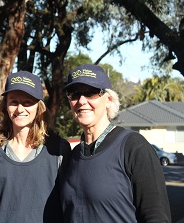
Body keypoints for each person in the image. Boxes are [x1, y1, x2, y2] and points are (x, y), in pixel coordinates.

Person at [60, 64, 171, 222]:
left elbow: (156, 216)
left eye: (91, 92)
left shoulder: (133, 147)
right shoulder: (73, 156)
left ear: (108, 99)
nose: (82, 101)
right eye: (75, 94)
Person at [0, 71, 71, 222]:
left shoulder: (58, 150)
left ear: (39, 107)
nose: (20, 109)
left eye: (27, 102)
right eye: (14, 102)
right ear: (5, 106)